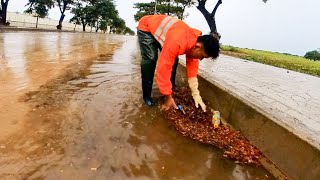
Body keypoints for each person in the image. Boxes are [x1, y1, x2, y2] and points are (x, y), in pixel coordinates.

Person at [137, 14, 220, 112]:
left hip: (166, 34)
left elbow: (192, 71)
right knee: (150, 59)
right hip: (147, 27)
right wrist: (167, 97)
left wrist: (196, 94)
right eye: (203, 56)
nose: (201, 59)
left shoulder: (194, 43)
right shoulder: (178, 41)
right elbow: (163, 68)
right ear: (197, 46)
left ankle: (170, 89)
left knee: (174, 60)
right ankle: (147, 97)